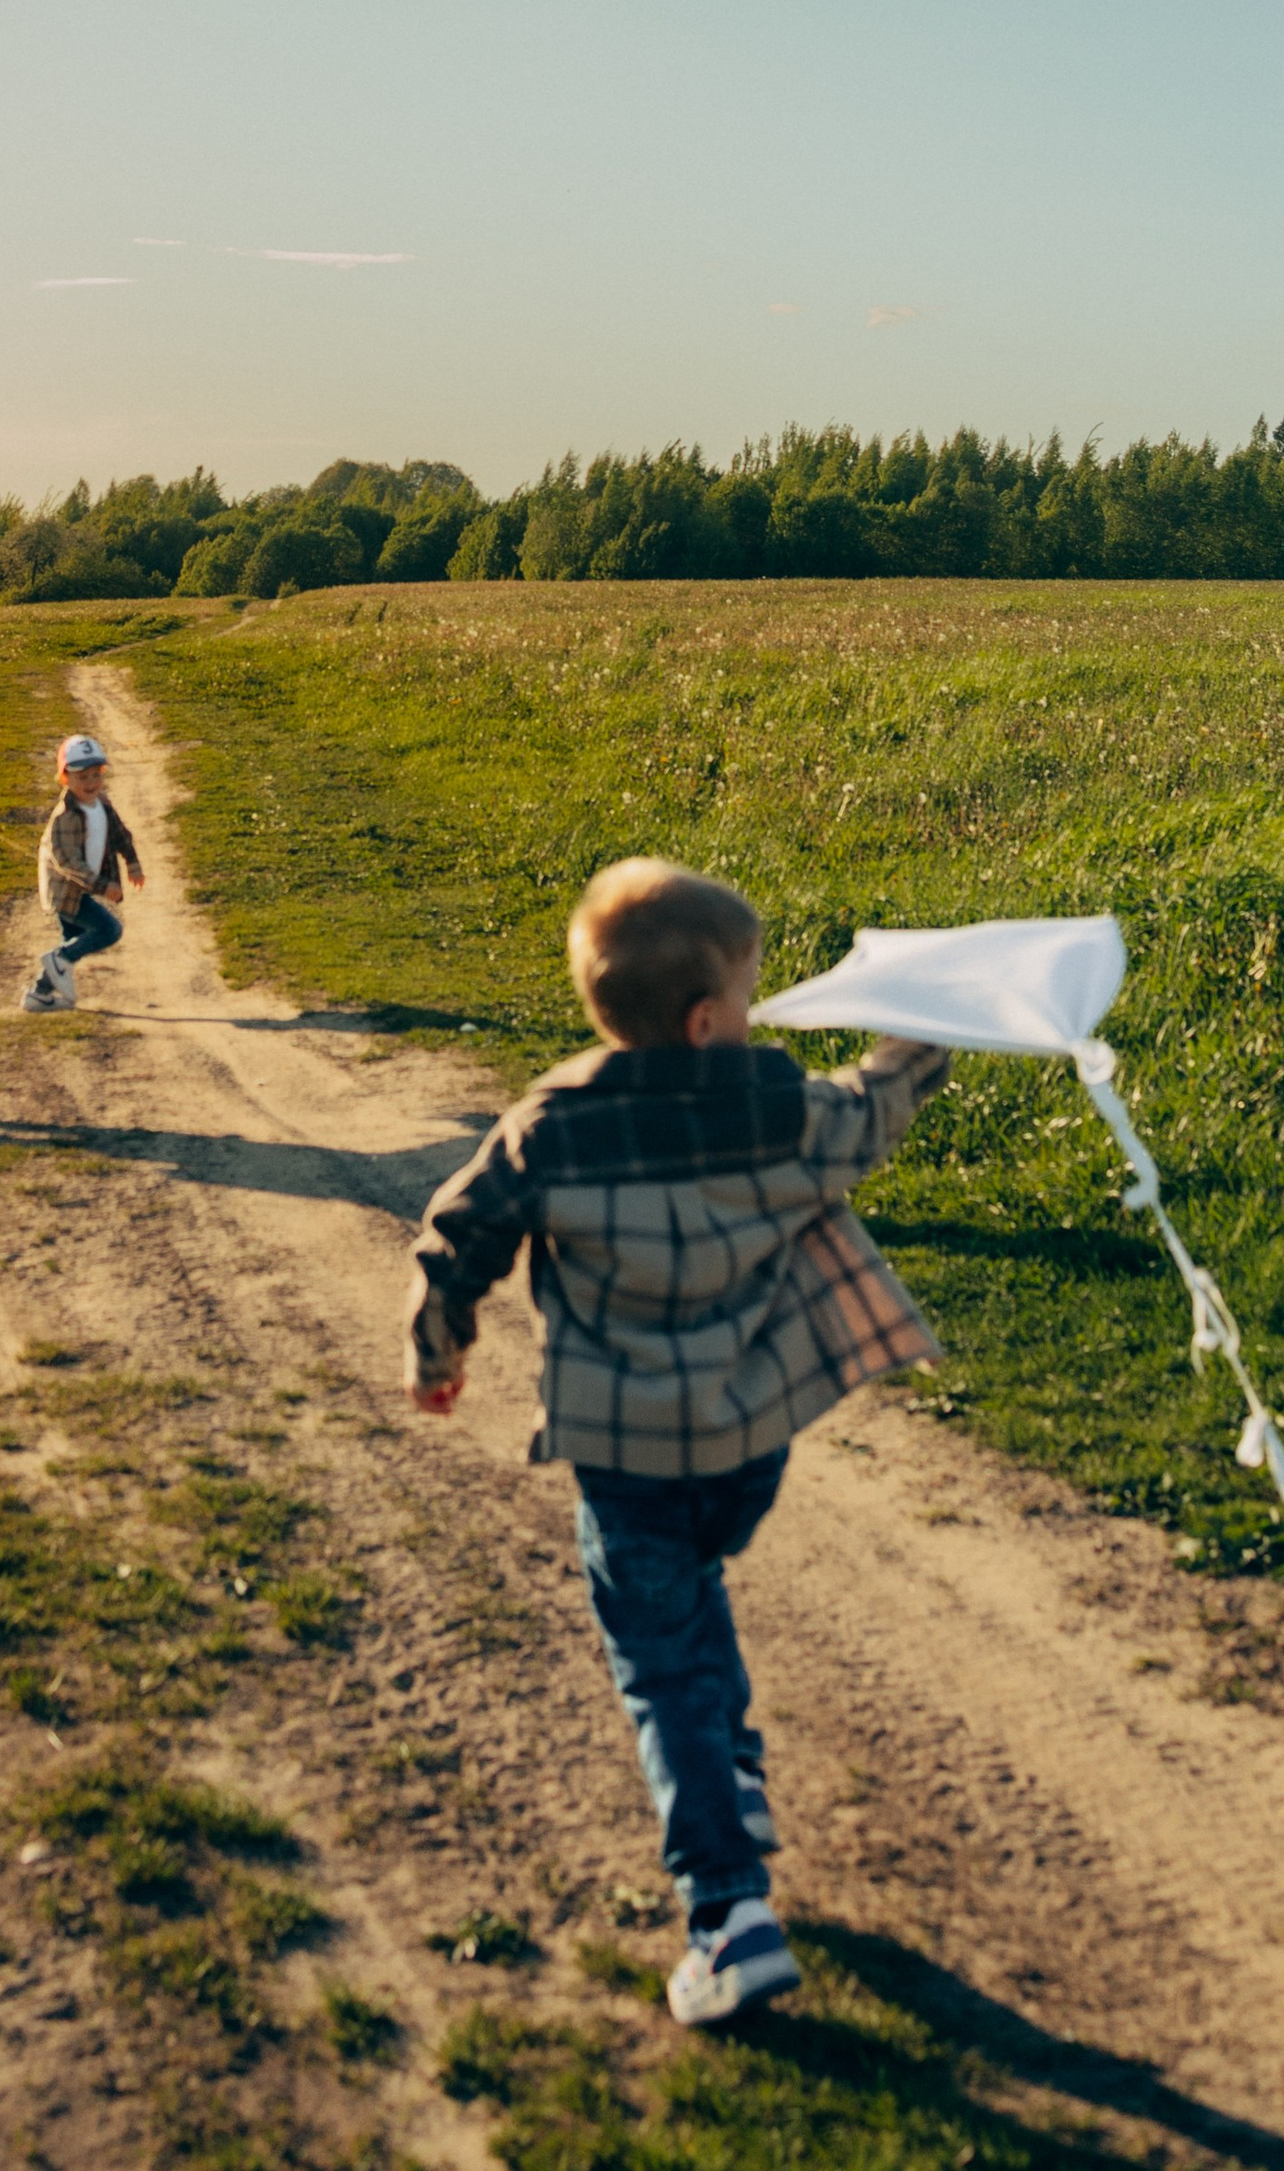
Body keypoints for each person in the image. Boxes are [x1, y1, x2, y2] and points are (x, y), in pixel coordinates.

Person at [401, 857, 948, 2028]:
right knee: (694, 1591)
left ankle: (728, 1912)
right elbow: (873, 1112)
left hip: (623, 1451)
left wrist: (439, 1345)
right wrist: (931, 1025)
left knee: (657, 1658)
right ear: (708, 1021)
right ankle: (733, 1775)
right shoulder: (774, 1107)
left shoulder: (552, 1125)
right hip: (748, 1444)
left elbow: (463, 1232)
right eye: (746, 999)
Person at [24, 731, 143, 1011]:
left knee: (71, 943)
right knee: (109, 929)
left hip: (82, 888)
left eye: (95, 775)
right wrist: (103, 886)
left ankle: (38, 994)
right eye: (82, 777)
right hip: (66, 892)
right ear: (65, 778)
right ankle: (55, 962)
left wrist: (133, 863)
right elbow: (67, 863)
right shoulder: (64, 817)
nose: (91, 783)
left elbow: (119, 834)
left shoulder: (102, 803)